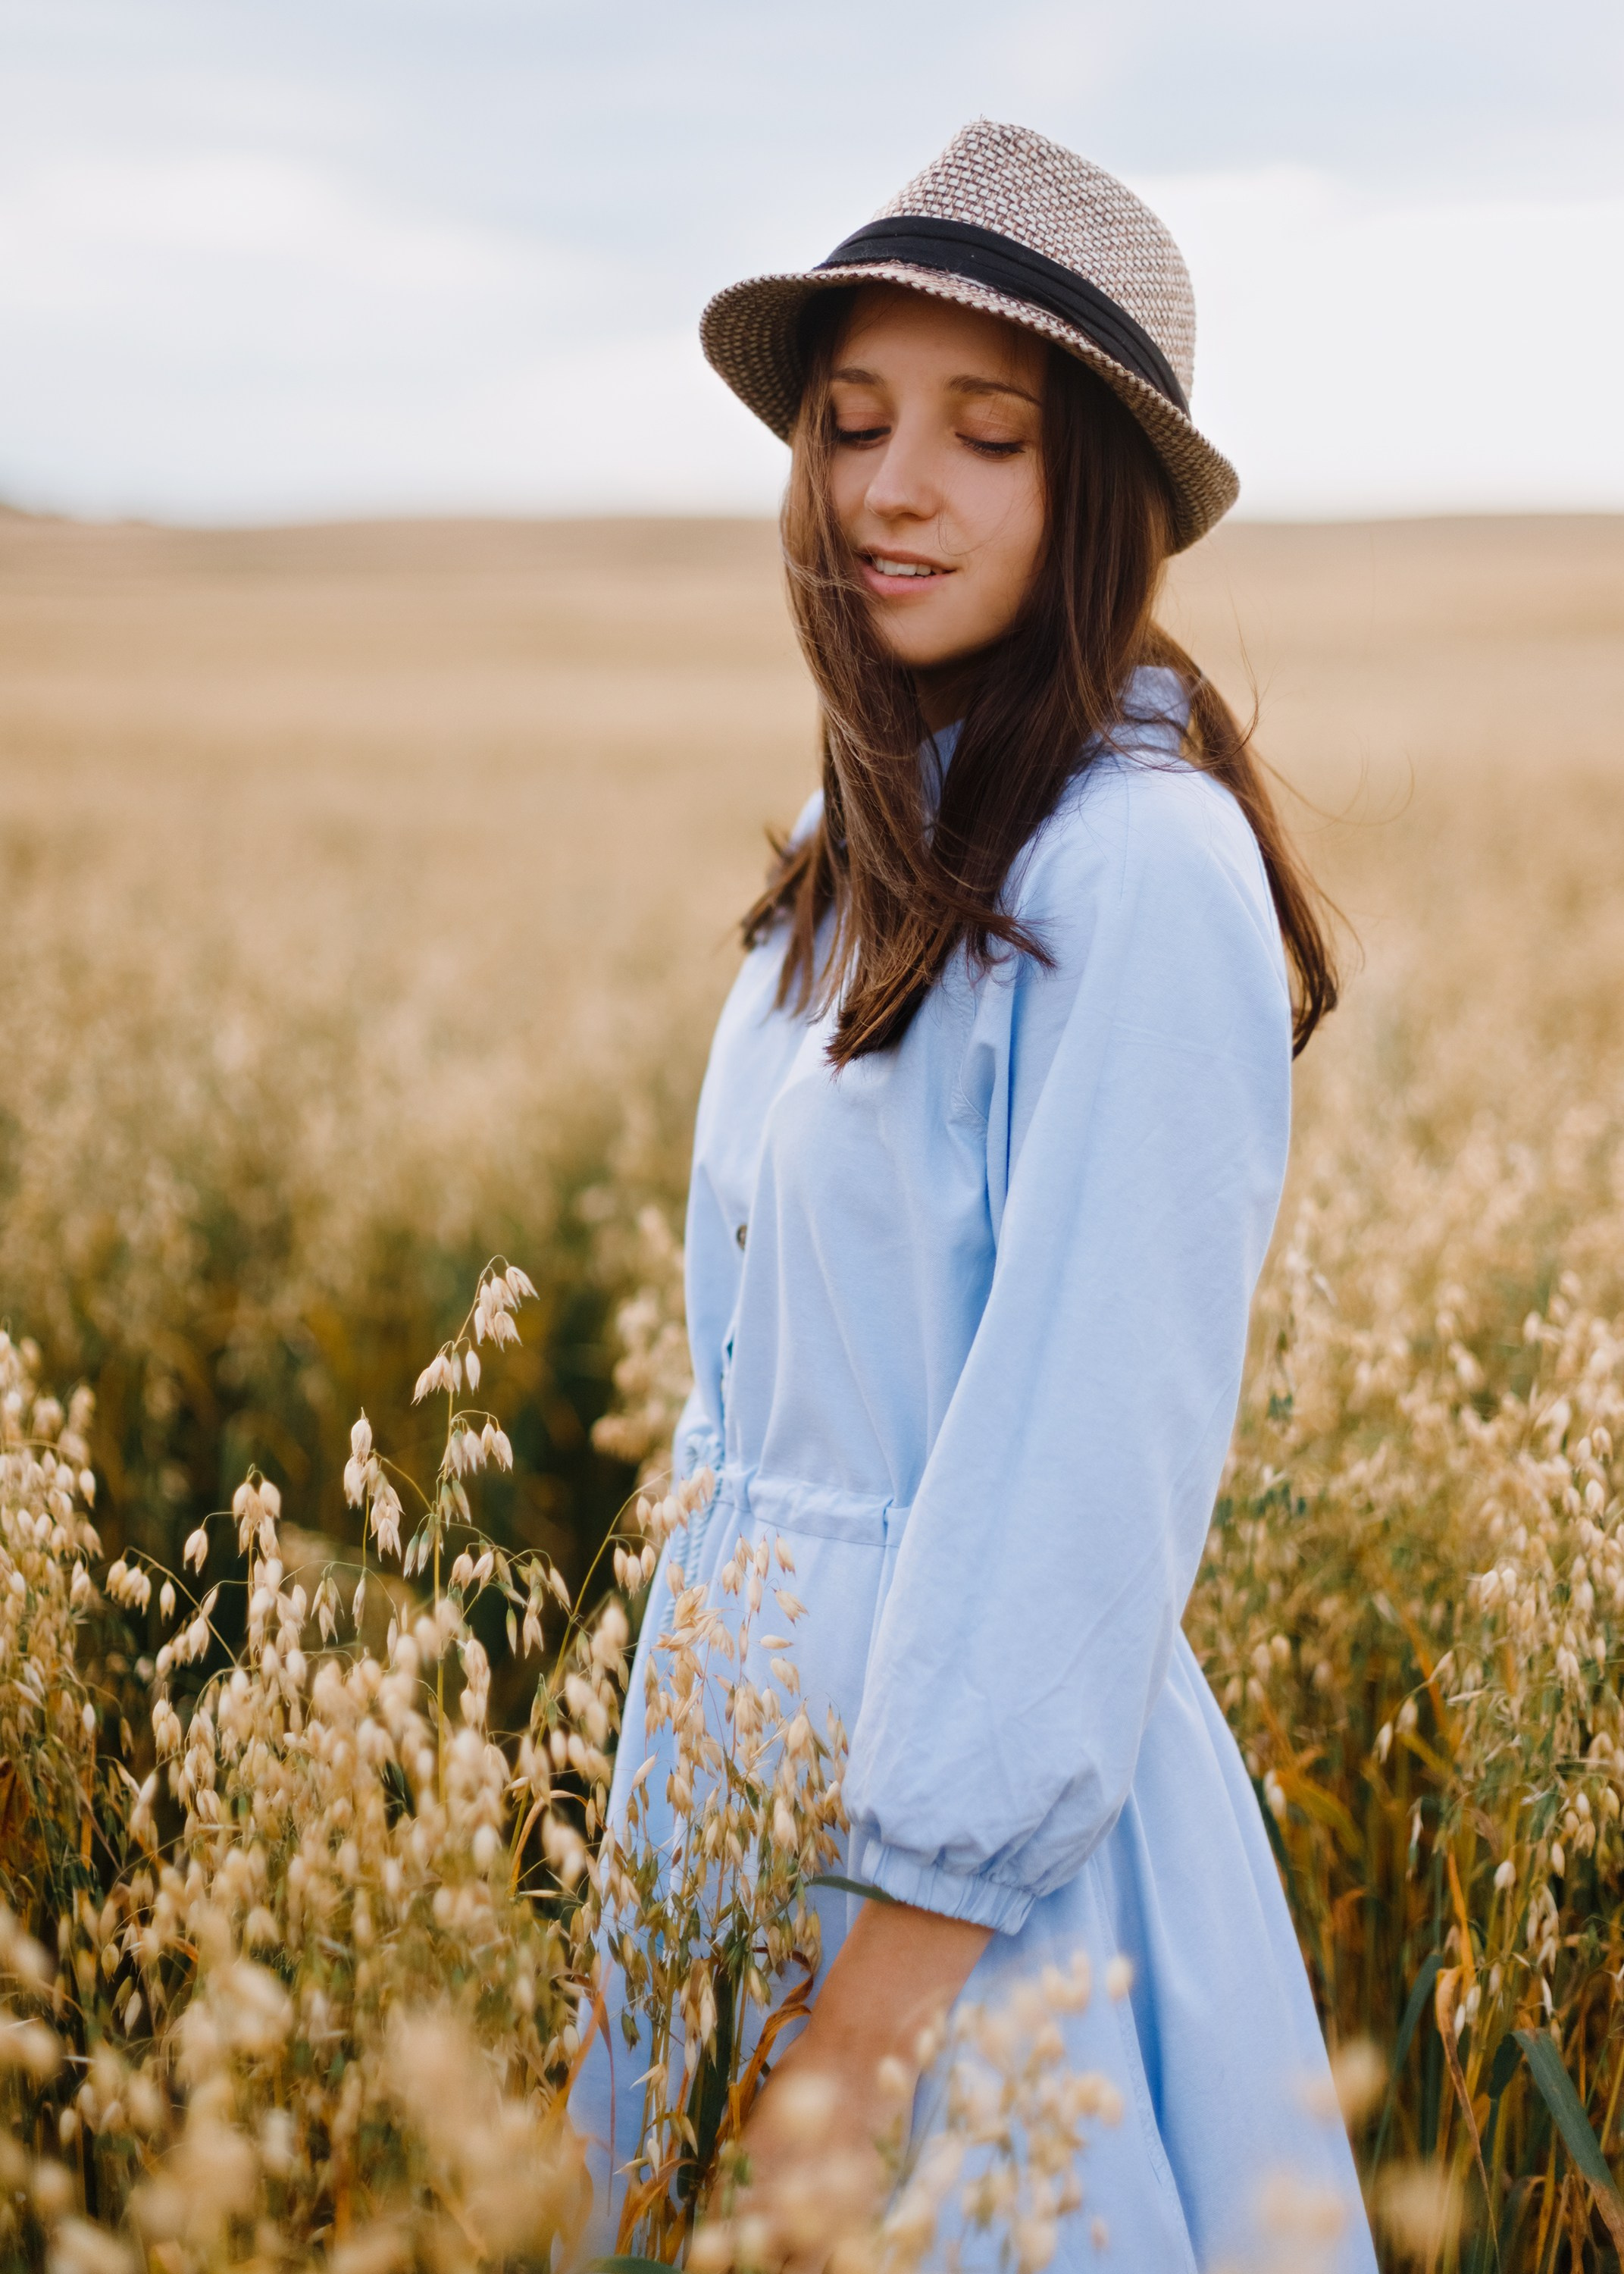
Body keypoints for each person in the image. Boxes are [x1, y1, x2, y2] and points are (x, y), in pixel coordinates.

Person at [578, 120, 1378, 2272]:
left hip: (972, 1877)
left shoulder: (1137, 869)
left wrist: (870, 2027)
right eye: (851, 423)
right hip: (747, 1783)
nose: (889, 487)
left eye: (984, 434)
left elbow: (1084, 1474)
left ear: (1092, 487)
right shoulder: (866, 860)